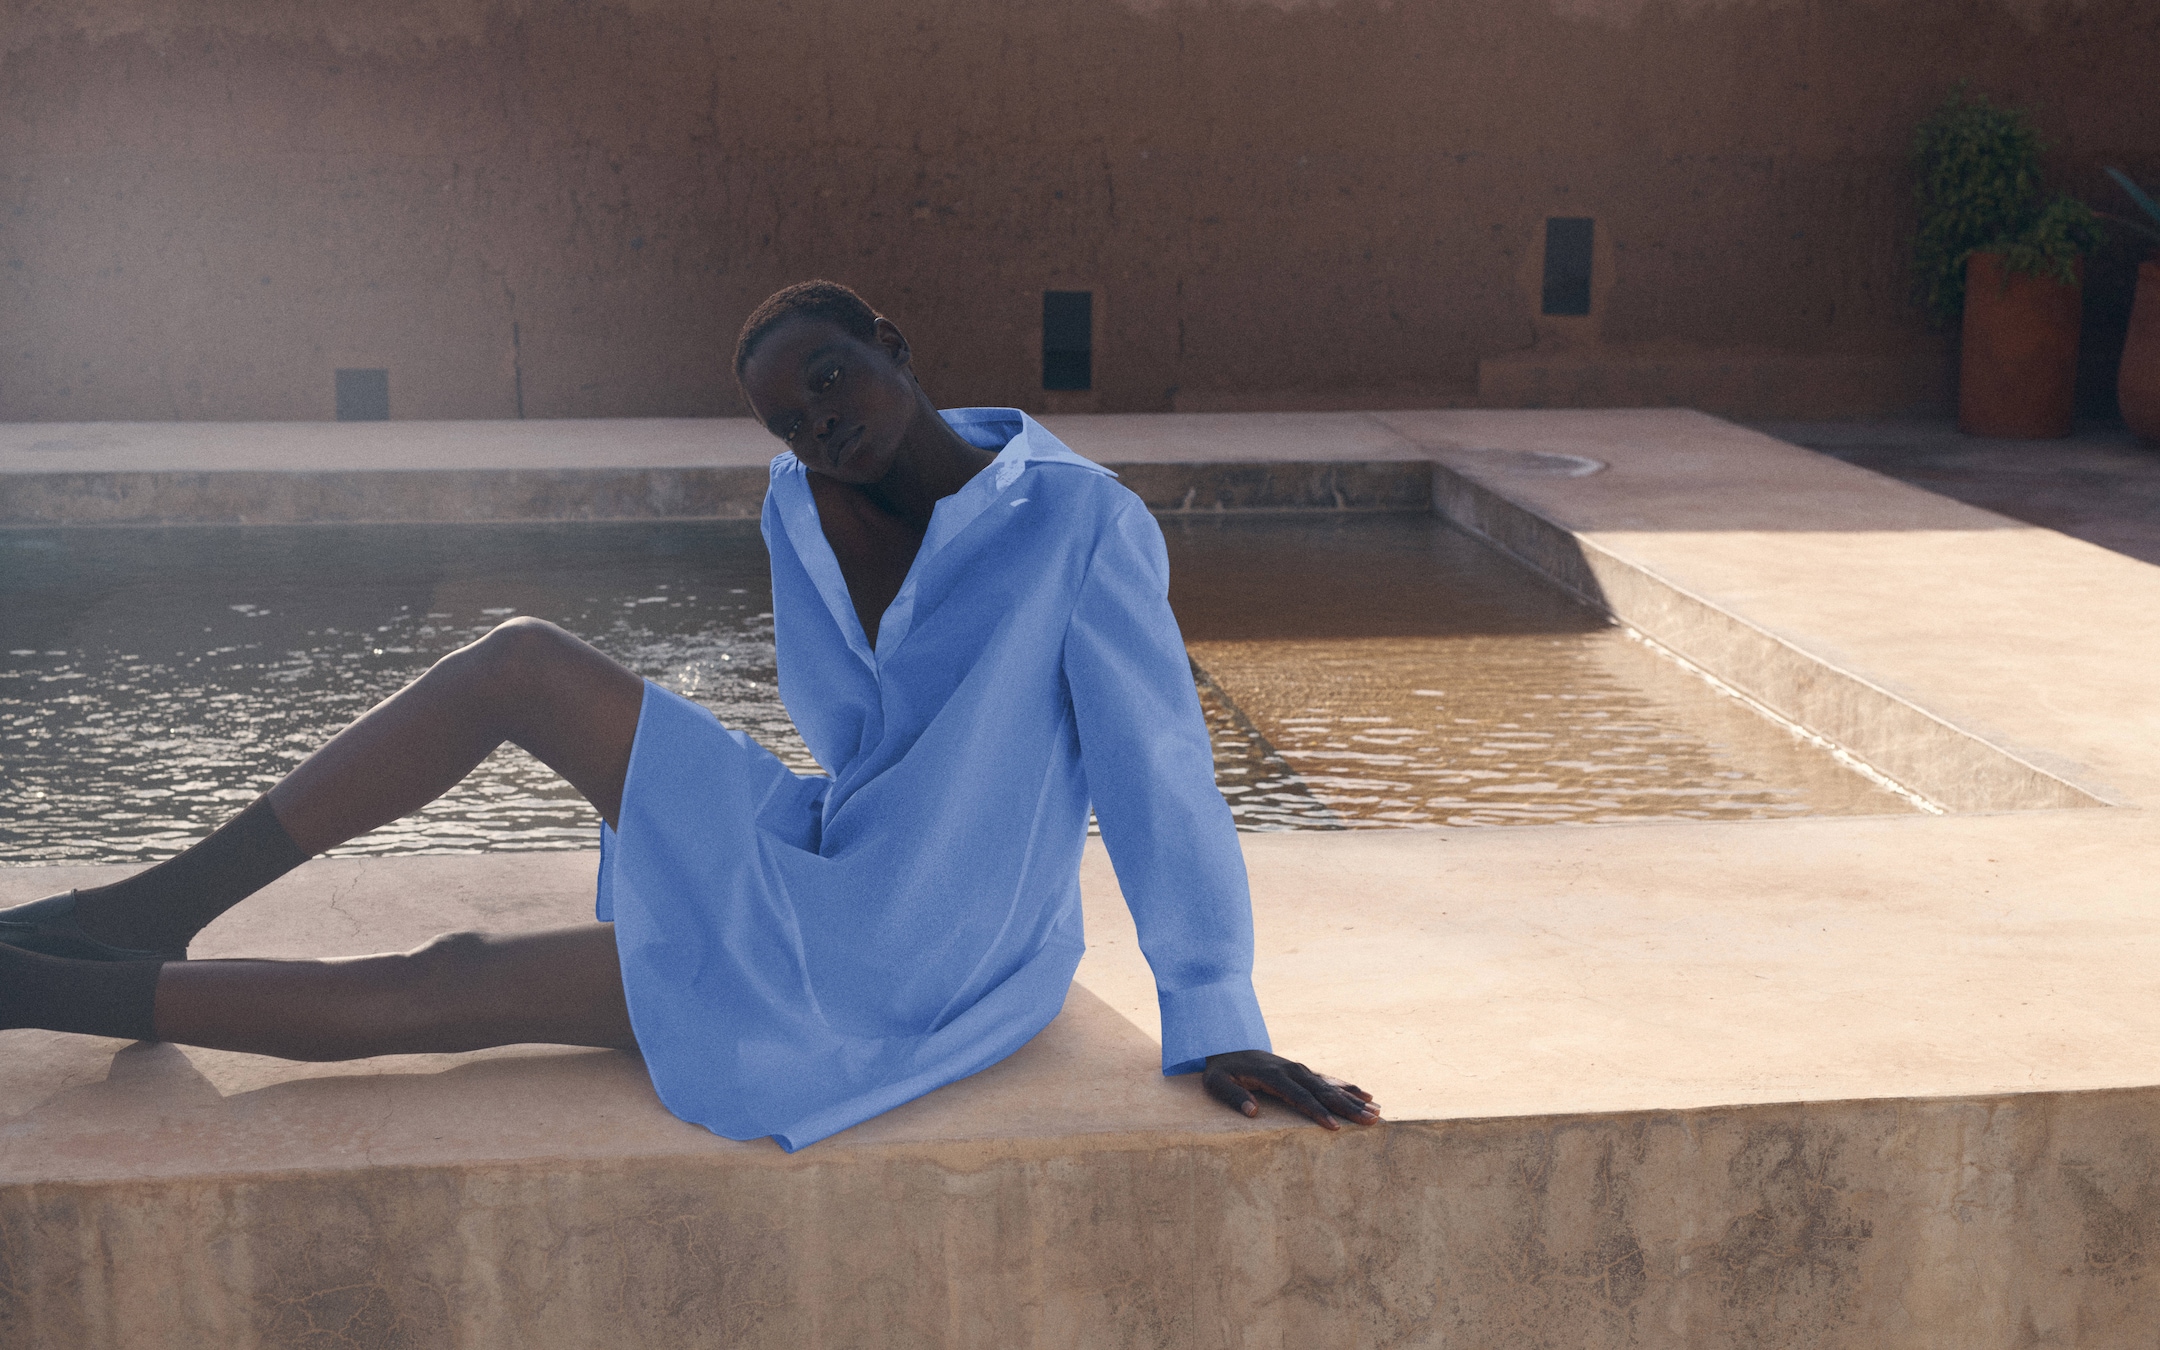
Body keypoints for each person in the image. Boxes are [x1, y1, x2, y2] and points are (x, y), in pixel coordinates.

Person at [0, 280, 1379, 1150]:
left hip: (914, 949)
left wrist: (1216, 1005)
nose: (819, 424)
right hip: (831, 839)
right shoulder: (804, 499)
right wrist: (837, 522)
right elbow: (841, 724)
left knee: (459, 973)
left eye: (834, 379)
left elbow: (1159, 769)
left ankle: (49, 986)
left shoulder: (1079, 520)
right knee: (521, 661)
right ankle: (164, 897)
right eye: (790, 418)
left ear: (892, 342)